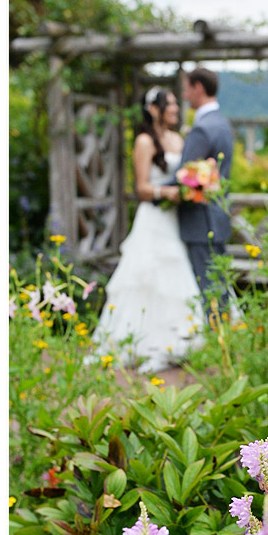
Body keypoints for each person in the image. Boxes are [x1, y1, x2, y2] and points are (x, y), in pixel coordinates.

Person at [92, 88, 204, 373]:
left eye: (177, 105)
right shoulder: (144, 141)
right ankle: (143, 344)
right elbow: (141, 188)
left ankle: (177, 343)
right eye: (171, 105)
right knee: (147, 279)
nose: (176, 110)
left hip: (174, 219)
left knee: (175, 279)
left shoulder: (177, 139)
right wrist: (169, 193)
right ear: (154, 109)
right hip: (153, 217)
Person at [162, 67, 235, 316]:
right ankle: (223, 341)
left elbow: (186, 176)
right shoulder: (223, 124)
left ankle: (218, 342)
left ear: (199, 88)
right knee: (218, 285)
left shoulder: (202, 128)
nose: (184, 95)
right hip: (218, 215)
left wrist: (156, 192)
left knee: (208, 288)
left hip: (201, 219)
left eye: (186, 88)